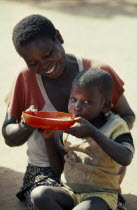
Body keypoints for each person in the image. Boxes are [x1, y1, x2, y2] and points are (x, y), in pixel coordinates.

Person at [2, 14, 135, 209]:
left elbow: (127, 116)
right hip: (44, 170)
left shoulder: (97, 74)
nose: (44, 65)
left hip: (97, 170)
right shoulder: (25, 78)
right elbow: (8, 136)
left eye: (47, 55)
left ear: (58, 37)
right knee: (41, 197)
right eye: (33, 63)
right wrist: (26, 124)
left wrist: (97, 134)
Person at [31, 68, 134, 210]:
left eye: (86, 102)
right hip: (69, 192)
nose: (77, 107)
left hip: (101, 196)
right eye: (73, 99)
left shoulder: (116, 126)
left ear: (105, 104)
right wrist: (48, 139)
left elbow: (126, 157)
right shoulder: (68, 127)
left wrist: (93, 132)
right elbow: (59, 168)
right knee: (39, 194)